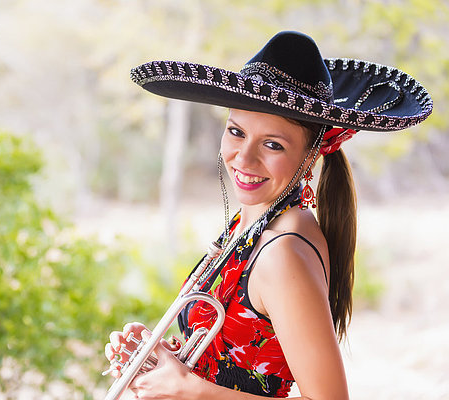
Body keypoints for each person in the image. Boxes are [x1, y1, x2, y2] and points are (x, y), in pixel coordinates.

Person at [104, 31, 433, 399]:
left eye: (272, 144)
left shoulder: (283, 254)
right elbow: (237, 364)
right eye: (236, 132)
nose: (244, 159)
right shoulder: (257, 223)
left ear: (310, 154)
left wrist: (189, 389)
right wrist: (165, 360)